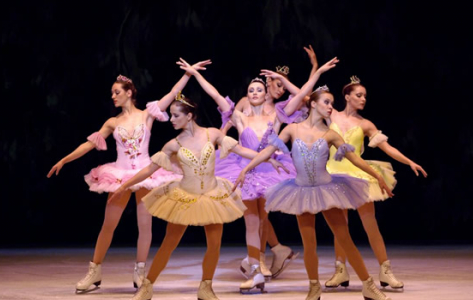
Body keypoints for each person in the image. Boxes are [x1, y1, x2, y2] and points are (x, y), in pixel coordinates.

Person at [111, 59, 287, 300]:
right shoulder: (173, 144)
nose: (171, 120)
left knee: (214, 245)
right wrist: (125, 185)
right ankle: (148, 285)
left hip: (212, 196)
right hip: (184, 196)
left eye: (175, 116)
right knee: (169, 243)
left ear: (190, 115)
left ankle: (206, 286)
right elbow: (149, 169)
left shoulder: (212, 134)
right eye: (171, 115)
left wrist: (268, 159)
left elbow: (243, 151)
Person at [235, 58, 395, 300]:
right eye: (327, 103)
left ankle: (368, 285)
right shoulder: (292, 129)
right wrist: (246, 170)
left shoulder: (330, 134)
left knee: (345, 239)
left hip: (326, 188)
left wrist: (377, 177)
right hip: (300, 191)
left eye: (332, 103)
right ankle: (314, 287)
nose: (331, 107)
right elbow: (266, 152)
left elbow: (355, 159)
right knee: (309, 244)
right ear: (314, 105)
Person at [46, 71, 195, 293]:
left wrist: (188, 73)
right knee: (108, 225)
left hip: (146, 174)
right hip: (119, 175)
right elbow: (88, 145)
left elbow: (173, 93)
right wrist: (64, 160)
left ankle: (140, 271)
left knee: (145, 226)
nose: (113, 96)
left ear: (129, 93)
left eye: (117, 92)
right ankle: (94, 272)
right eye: (112, 93)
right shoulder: (113, 122)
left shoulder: (147, 115)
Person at [183, 57, 309, 292]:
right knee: (252, 223)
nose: (254, 93)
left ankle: (259, 268)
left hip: (272, 172)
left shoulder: (277, 115)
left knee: (263, 221)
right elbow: (216, 96)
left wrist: (282, 79)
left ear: (265, 94)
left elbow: (302, 97)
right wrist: (196, 75)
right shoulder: (240, 118)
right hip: (246, 173)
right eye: (251, 90)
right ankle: (255, 272)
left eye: (259, 89)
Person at [218, 45, 318, 279]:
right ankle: (266, 255)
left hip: (272, 161)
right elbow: (232, 121)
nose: (281, 89)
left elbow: (305, 96)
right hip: (245, 160)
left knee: (263, 214)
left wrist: (314, 68)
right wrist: (221, 140)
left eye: (284, 85)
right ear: (267, 81)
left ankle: (264, 256)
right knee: (255, 214)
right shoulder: (247, 101)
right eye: (278, 83)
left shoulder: (280, 110)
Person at [324, 75, 427, 290]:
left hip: (359, 175)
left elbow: (387, 148)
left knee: (370, 225)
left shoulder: (365, 123)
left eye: (365, 96)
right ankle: (340, 271)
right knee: (340, 227)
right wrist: (315, 69)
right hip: (333, 175)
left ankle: (385, 270)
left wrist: (409, 162)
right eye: (359, 95)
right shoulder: (329, 114)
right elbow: (304, 95)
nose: (363, 99)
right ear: (347, 97)